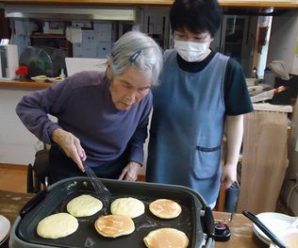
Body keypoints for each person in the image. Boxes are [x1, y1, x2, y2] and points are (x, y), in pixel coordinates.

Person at [16, 31, 163, 184]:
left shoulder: (146, 99)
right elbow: (27, 106)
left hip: (115, 169)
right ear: (110, 69)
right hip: (69, 166)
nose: (132, 98)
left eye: (142, 89)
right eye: (126, 85)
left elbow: (138, 133)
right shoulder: (80, 86)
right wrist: (56, 133)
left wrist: (135, 161)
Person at [146, 0, 253, 208]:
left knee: (198, 222)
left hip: (200, 168)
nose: (189, 43)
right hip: (162, 162)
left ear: (212, 35)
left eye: (197, 37)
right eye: (181, 36)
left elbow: (235, 119)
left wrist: (231, 163)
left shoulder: (228, 70)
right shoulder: (161, 61)